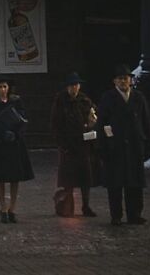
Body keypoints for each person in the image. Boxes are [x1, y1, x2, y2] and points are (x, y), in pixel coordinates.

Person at [97, 64, 150, 226]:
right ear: (114, 81)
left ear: (131, 80)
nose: (123, 81)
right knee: (115, 185)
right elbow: (102, 123)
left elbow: (145, 122)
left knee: (134, 183)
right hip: (115, 148)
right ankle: (116, 215)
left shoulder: (138, 98)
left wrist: (148, 144)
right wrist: (104, 145)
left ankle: (134, 214)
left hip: (135, 147)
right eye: (120, 78)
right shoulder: (108, 98)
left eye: (126, 78)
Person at [0, 76, 34, 224]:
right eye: (0, 87)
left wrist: (16, 133)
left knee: (14, 177)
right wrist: (3, 133)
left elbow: (23, 118)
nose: (3, 90)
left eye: (5, 87)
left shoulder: (16, 101)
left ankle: (13, 208)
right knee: (0, 177)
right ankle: (3, 208)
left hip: (14, 143)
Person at [50, 72, 99, 217]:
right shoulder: (60, 101)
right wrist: (61, 143)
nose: (75, 88)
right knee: (68, 178)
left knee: (85, 178)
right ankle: (67, 205)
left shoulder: (84, 100)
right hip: (68, 144)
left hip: (83, 144)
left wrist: (92, 124)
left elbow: (94, 116)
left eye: (77, 85)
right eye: (72, 85)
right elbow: (55, 124)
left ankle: (86, 205)